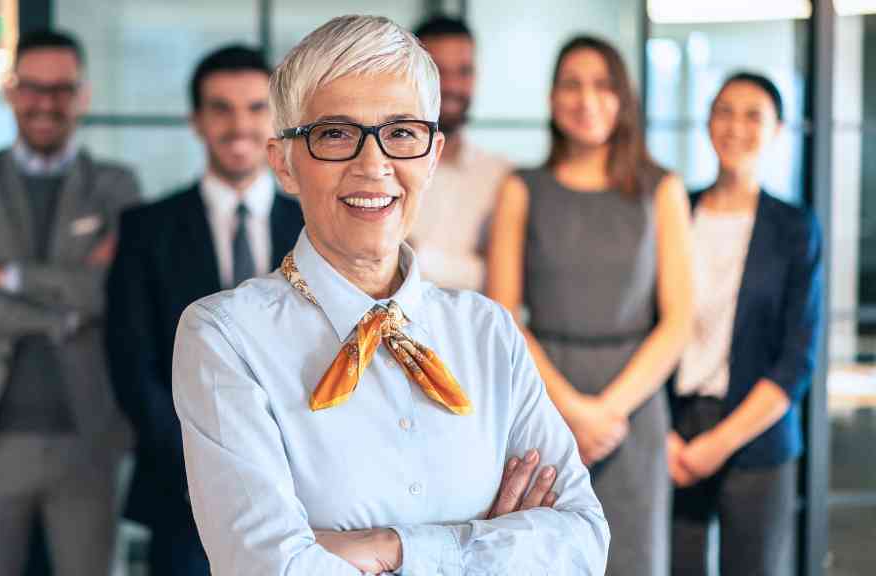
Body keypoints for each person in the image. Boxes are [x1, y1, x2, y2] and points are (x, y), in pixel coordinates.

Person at [173, 15, 608, 576]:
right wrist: (488, 544)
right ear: (283, 162)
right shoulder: (225, 336)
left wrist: (388, 548)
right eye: (335, 133)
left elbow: (582, 544)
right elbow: (269, 568)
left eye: (402, 133)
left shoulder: (488, 332)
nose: (374, 164)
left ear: (431, 154)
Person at [0, 30, 140, 575]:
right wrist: (61, 313)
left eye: (62, 89)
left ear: (82, 96)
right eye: (33, 88)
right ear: (13, 92)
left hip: (88, 436)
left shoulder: (114, 186)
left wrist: (12, 277)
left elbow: (117, 292)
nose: (47, 103)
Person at [486, 35, 693, 576]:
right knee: (541, 555)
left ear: (624, 97)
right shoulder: (520, 189)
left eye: (603, 85)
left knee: (635, 559)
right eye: (572, 85)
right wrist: (573, 410)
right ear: (553, 99)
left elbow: (678, 321)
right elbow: (503, 313)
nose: (587, 99)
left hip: (634, 408)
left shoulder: (662, 190)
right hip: (542, 400)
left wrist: (609, 411)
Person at [105, 45, 303, 576]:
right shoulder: (147, 229)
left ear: (279, 121)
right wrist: (203, 462)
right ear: (197, 121)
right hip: (182, 489)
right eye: (221, 107)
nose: (239, 125)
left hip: (306, 490)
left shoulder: (316, 227)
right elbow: (131, 363)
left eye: (256, 107)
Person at [668, 72, 822, 576]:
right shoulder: (676, 210)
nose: (736, 126)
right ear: (709, 121)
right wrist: (663, 434)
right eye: (725, 111)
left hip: (755, 434)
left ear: (777, 130)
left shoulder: (795, 228)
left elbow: (797, 358)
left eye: (753, 115)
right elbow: (650, 323)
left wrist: (720, 442)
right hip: (673, 431)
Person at [408, 15, 510, 291]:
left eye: (464, 71)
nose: (451, 85)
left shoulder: (500, 175)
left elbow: (506, 279)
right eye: (438, 71)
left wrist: (413, 256)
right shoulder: (381, 167)